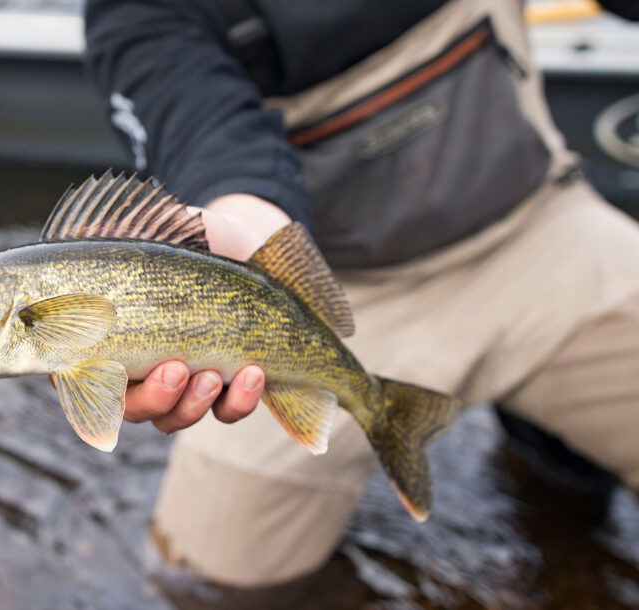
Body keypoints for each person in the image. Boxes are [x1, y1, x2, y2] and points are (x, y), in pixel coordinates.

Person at [83, 0, 639, 587]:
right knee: (203, 581)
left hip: (544, 235)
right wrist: (244, 222)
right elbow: (198, 122)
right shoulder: (139, 13)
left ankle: (554, 467)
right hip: (317, 299)